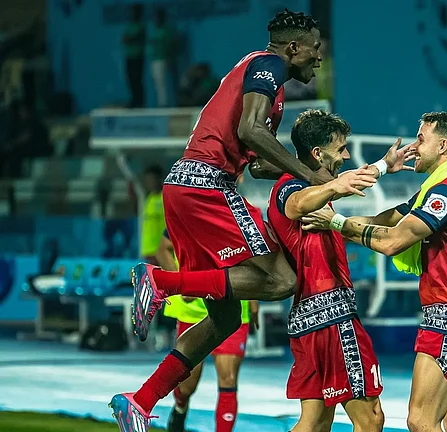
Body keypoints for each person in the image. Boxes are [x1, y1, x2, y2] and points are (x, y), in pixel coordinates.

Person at [109, 9, 347, 431]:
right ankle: (159, 281)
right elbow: (252, 131)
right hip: (207, 185)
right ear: (294, 47)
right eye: (315, 49)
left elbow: (257, 164)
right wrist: (312, 175)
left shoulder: (264, 79)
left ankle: (140, 401)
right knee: (280, 280)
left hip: (184, 187)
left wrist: (319, 175)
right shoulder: (267, 65)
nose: (319, 58)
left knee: (224, 320)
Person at [301, 112, 447, 432]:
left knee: (421, 421)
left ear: (442, 146)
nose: (414, 147)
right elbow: (387, 219)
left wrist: (334, 223)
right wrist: (341, 222)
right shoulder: (446, 186)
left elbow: (394, 242)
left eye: (421, 139)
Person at [267, 109, 414, 430]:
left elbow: (332, 192)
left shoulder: (311, 188)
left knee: (315, 423)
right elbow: (296, 205)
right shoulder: (291, 187)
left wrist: (384, 166)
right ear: (317, 153)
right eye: (340, 148)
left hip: (308, 320)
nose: (346, 155)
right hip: (332, 319)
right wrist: (336, 187)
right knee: (371, 419)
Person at [156, 229, 257, 432]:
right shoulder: (188, 215)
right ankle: (180, 406)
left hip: (232, 308)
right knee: (186, 386)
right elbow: (162, 249)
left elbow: (252, 259)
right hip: (193, 313)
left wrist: (253, 302)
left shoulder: (237, 217)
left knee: (228, 379)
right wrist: (181, 283)